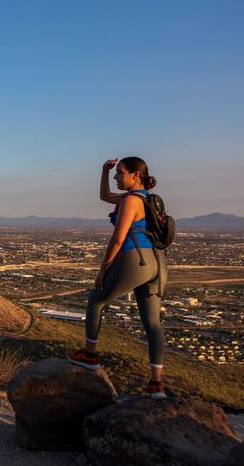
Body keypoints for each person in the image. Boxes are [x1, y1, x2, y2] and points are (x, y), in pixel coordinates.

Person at [67, 156, 168, 399]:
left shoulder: (130, 201)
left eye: (119, 173)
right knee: (153, 324)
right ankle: (156, 385)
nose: (116, 177)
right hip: (158, 263)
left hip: (135, 259)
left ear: (135, 175)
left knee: (96, 301)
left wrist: (104, 269)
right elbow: (104, 196)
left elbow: (118, 238)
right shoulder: (149, 199)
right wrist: (104, 170)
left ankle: (90, 356)